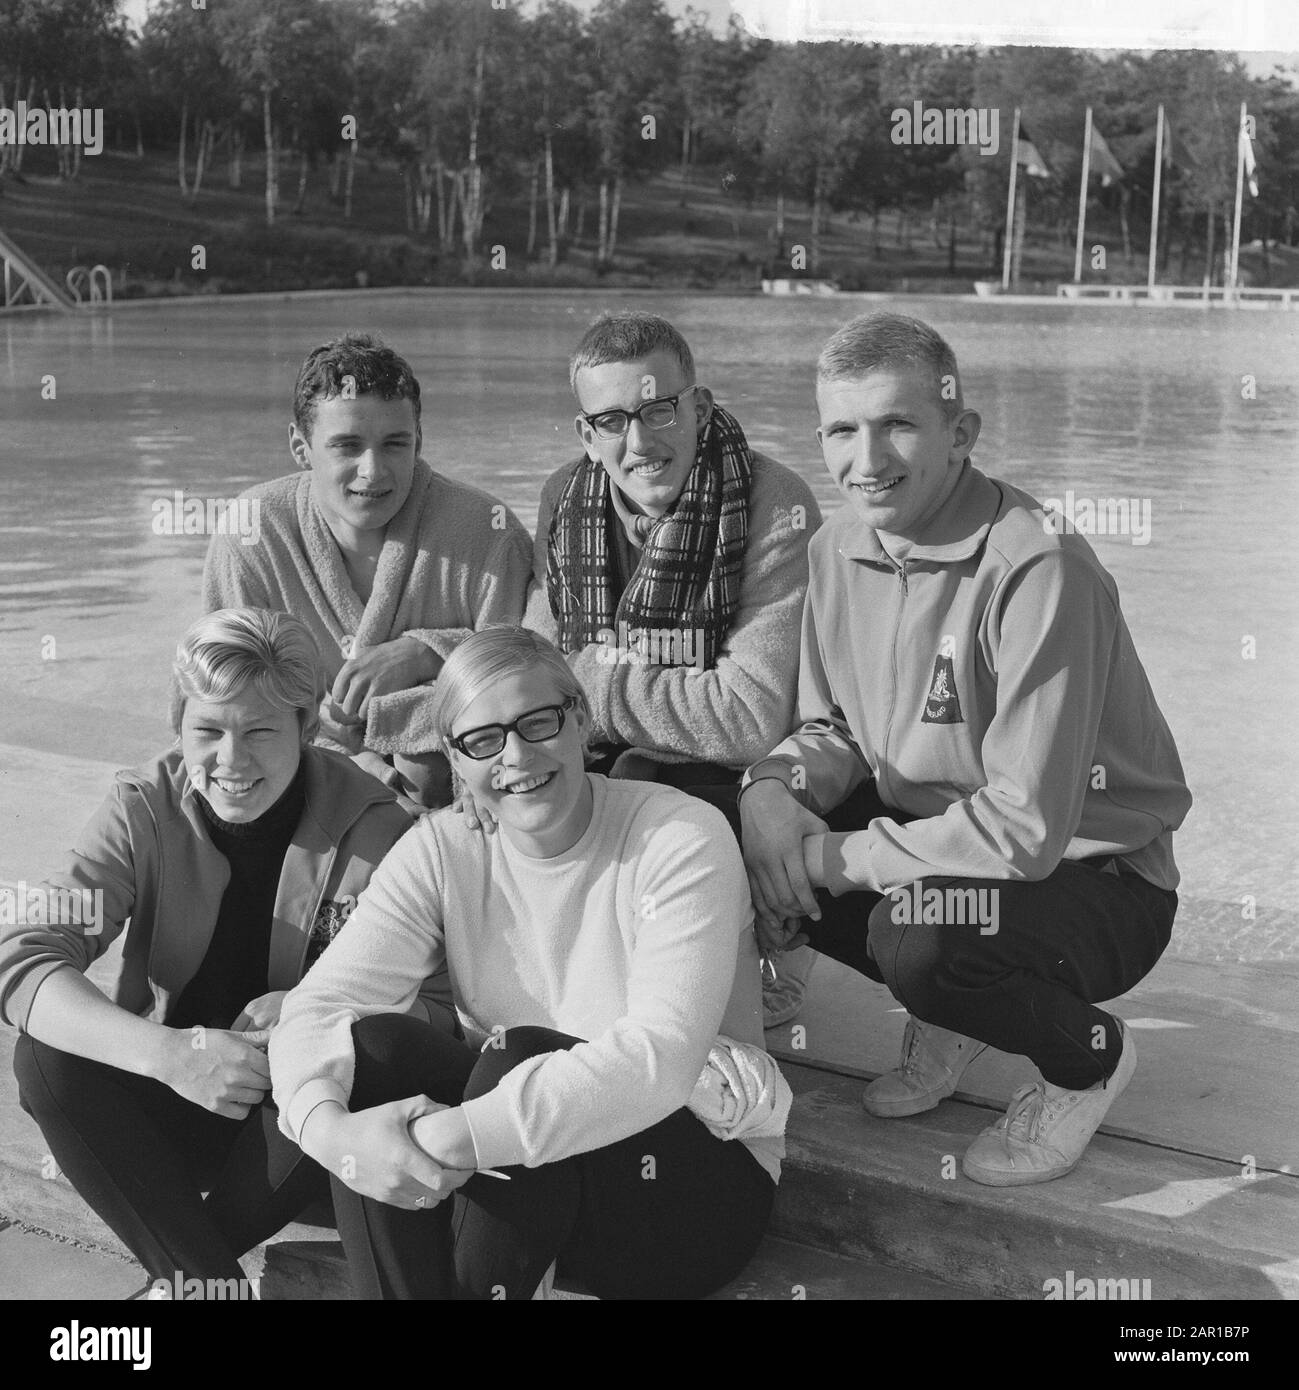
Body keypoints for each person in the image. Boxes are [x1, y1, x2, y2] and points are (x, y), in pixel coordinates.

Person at [739, 312, 1192, 1186]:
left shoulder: (1038, 567)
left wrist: (834, 855)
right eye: (841, 429)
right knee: (733, 831)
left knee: (922, 938)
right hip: (939, 845)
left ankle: (1087, 1059)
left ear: (960, 433)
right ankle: (955, 1014)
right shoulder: (835, 547)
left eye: (897, 424)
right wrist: (770, 791)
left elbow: (1024, 829)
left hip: (1095, 877)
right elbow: (830, 728)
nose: (865, 459)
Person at [270, 627, 787, 1300]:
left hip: (684, 1187)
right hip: (519, 1180)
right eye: (481, 740)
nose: (514, 755)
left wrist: (448, 1137)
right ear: (455, 762)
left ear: (580, 719)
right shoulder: (442, 848)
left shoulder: (678, 835)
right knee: (375, 1048)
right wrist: (332, 1131)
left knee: (518, 1059)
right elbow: (320, 1006)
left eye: (537, 722)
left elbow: (658, 1060)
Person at [0, 608, 443, 1294]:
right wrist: (171, 1056)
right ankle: (203, 1283)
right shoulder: (142, 806)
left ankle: (188, 1283)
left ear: (307, 729)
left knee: (356, 1045)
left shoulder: (380, 829)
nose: (230, 761)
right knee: (45, 1056)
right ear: (179, 728)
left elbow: (441, 1006)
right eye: (207, 730)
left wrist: (310, 1010)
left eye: (261, 731)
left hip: (306, 1135)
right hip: (182, 1098)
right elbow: (23, 953)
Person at [523, 310, 821, 1027]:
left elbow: (748, 718)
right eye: (612, 420)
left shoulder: (775, 507)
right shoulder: (564, 502)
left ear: (700, 406)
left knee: (684, 799)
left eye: (659, 409)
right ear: (586, 435)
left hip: (730, 772)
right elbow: (531, 660)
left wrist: (587, 676)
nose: (639, 442)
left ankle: (769, 946)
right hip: (622, 746)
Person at [203, 332, 533, 812]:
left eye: (395, 444)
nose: (373, 470)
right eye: (348, 446)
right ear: (301, 446)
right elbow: (220, 697)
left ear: (419, 440)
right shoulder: (253, 532)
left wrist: (430, 654)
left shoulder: (485, 532)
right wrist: (336, 761)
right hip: (296, 782)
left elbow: (531, 676)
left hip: (457, 798)